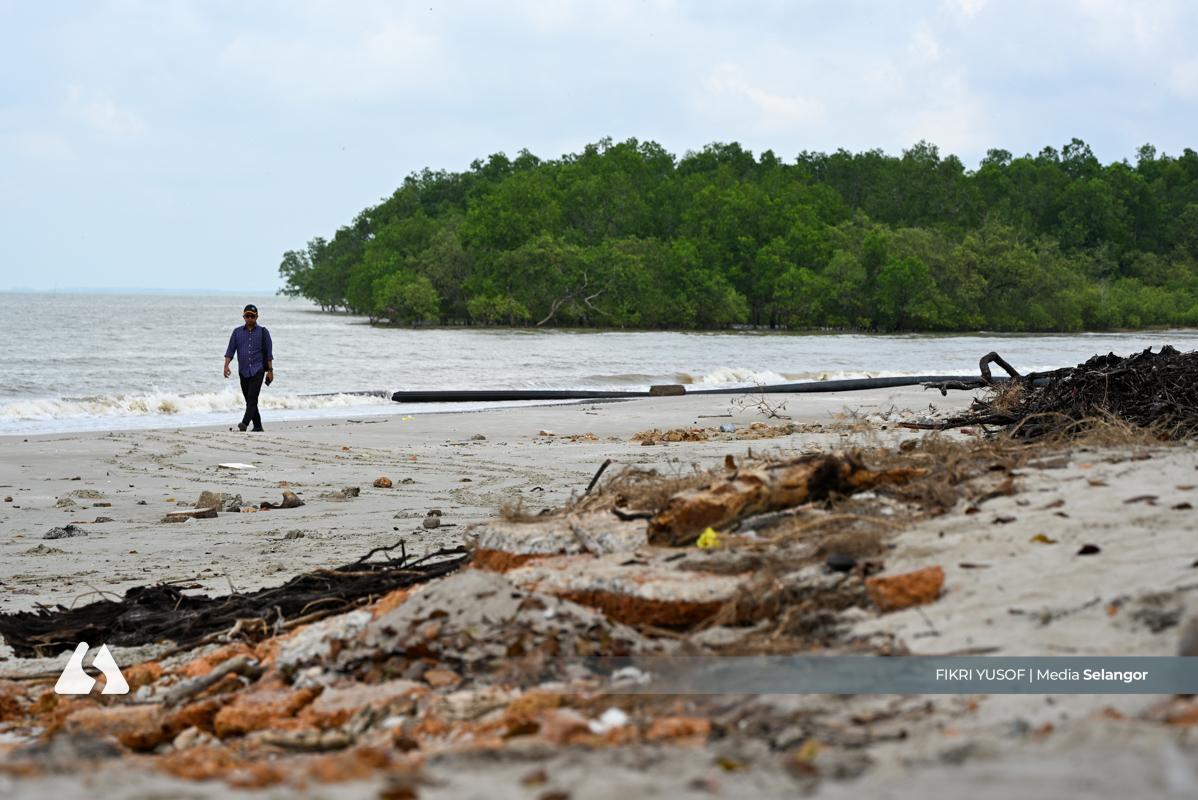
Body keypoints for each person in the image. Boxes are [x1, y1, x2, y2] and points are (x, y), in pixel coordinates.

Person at [223, 304, 274, 432]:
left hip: (258, 370)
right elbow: (230, 351)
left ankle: (244, 423)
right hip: (243, 371)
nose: (250, 318)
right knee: (249, 400)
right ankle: (257, 426)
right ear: (243, 317)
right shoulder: (237, 332)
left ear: (257, 316)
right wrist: (226, 366)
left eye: (252, 316)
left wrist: (270, 371)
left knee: (252, 398)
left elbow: (269, 354)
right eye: (247, 316)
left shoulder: (263, 332)